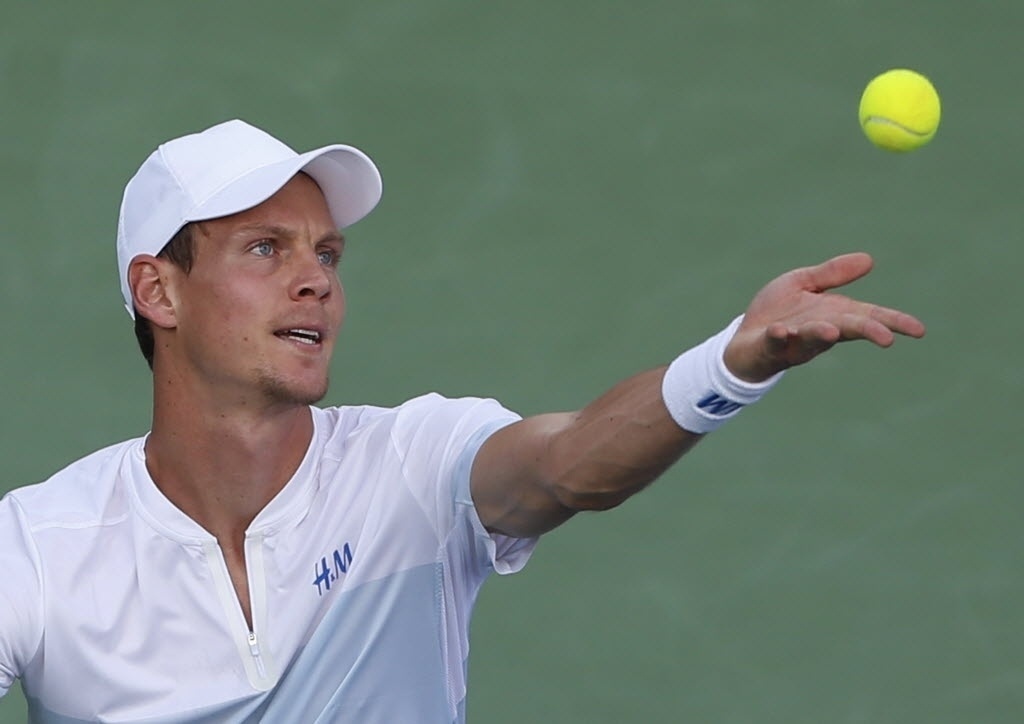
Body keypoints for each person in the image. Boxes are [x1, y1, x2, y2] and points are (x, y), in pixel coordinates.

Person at [0, 119, 925, 723]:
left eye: (327, 252)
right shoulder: (41, 550)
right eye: (264, 249)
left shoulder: (414, 464)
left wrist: (728, 364)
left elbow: (568, 466)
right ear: (158, 291)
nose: (316, 279)